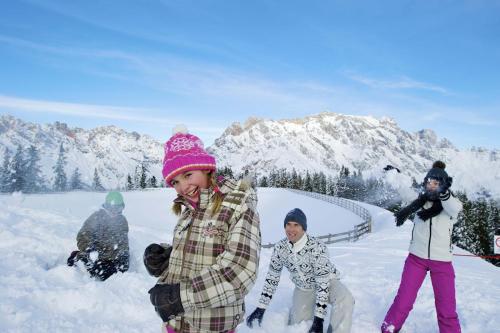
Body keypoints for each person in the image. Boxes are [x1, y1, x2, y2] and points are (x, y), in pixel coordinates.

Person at [145, 126, 261, 333]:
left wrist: (179, 298)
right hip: (175, 324)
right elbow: (199, 252)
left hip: (210, 326)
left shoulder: (238, 205)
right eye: (176, 182)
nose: (183, 187)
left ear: (206, 168)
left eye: (188, 175)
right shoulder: (189, 209)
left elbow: (239, 271)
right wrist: (165, 259)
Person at [381, 161, 463, 333]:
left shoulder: (450, 205)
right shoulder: (420, 201)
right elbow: (403, 190)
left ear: (443, 185)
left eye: (436, 183)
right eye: (428, 182)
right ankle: (390, 327)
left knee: (446, 307)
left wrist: (444, 194)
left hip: (442, 262)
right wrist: (394, 175)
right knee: (404, 300)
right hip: (416, 259)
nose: (431, 186)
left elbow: (455, 207)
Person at [246, 208, 354, 333]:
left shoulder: (317, 247)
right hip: (304, 288)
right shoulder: (280, 248)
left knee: (345, 299)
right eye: (288, 224)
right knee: (298, 324)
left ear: (303, 228)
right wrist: (261, 307)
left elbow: (322, 284)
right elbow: (272, 278)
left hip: (328, 282)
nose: (291, 229)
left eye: (296, 225)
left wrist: (319, 320)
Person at [67, 191, 129, 281]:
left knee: (122, 271)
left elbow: (124, 240)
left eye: (117, 209)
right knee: (100, 273)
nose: (114, 212)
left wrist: (124, 254)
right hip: (97, 253)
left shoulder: (122, 221)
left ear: (121, 208)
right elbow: (82, 235)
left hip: (112, 255)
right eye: (111, 208)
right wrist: (89, 248)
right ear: (106, 206)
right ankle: (77, 256)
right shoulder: (96, 218)